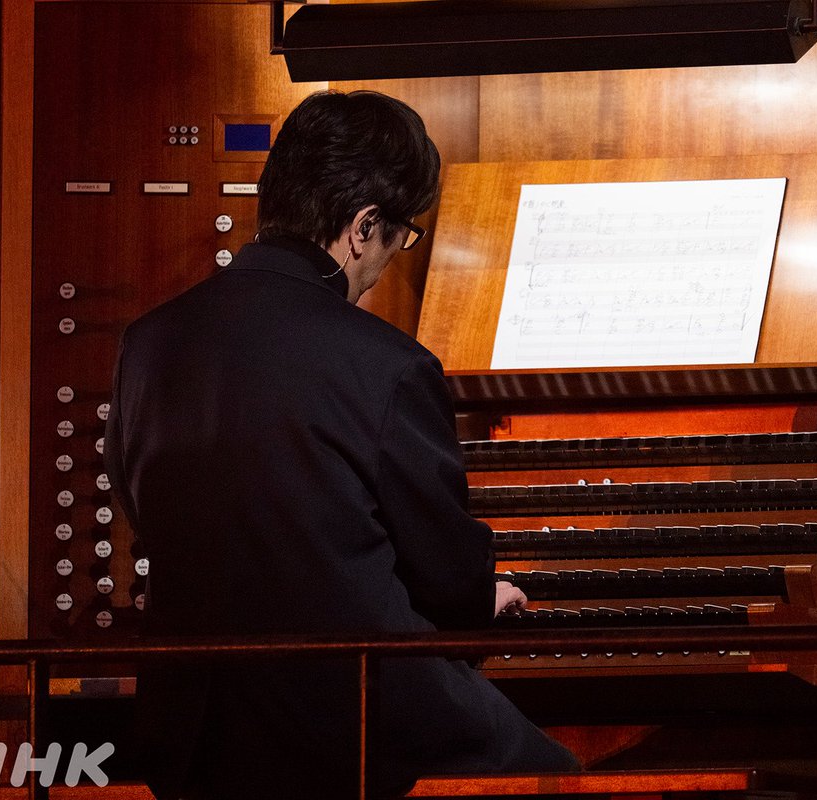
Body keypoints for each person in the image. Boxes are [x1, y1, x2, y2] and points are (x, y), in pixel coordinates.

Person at [104, 90, 579, 800]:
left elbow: (143, 507)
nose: (387, 264)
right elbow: (445, 579)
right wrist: (481, 596)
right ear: (363, 227)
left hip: (194, 729)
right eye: (399, 238)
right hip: (349, 721)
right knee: (562, 779)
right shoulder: (388, 365)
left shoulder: (147, 344)